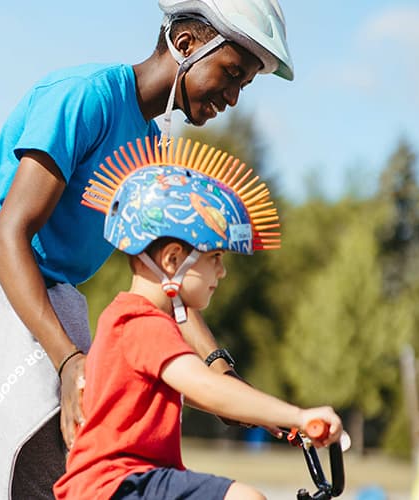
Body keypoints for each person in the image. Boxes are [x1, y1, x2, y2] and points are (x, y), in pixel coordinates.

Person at [0, 1, 294, 498]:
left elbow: (165, 282)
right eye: (233, 72)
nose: (235, 96)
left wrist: (223, 375)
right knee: (42, 459)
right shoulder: (84, 97)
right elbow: (9, 237)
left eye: (245, 83)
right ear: (186, 44)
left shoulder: (151, 149)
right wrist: (69, 362)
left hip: (55, 302)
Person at [53, 137, 343, 500]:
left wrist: (263, 412)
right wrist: (297, 415)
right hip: (118, 483)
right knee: (245, 499)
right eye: (215, 257)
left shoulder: (127, 317)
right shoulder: (142, 324)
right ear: (173, 260)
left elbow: (189, 390)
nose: (221, 273)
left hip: (124, 482)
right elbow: (206, 386)